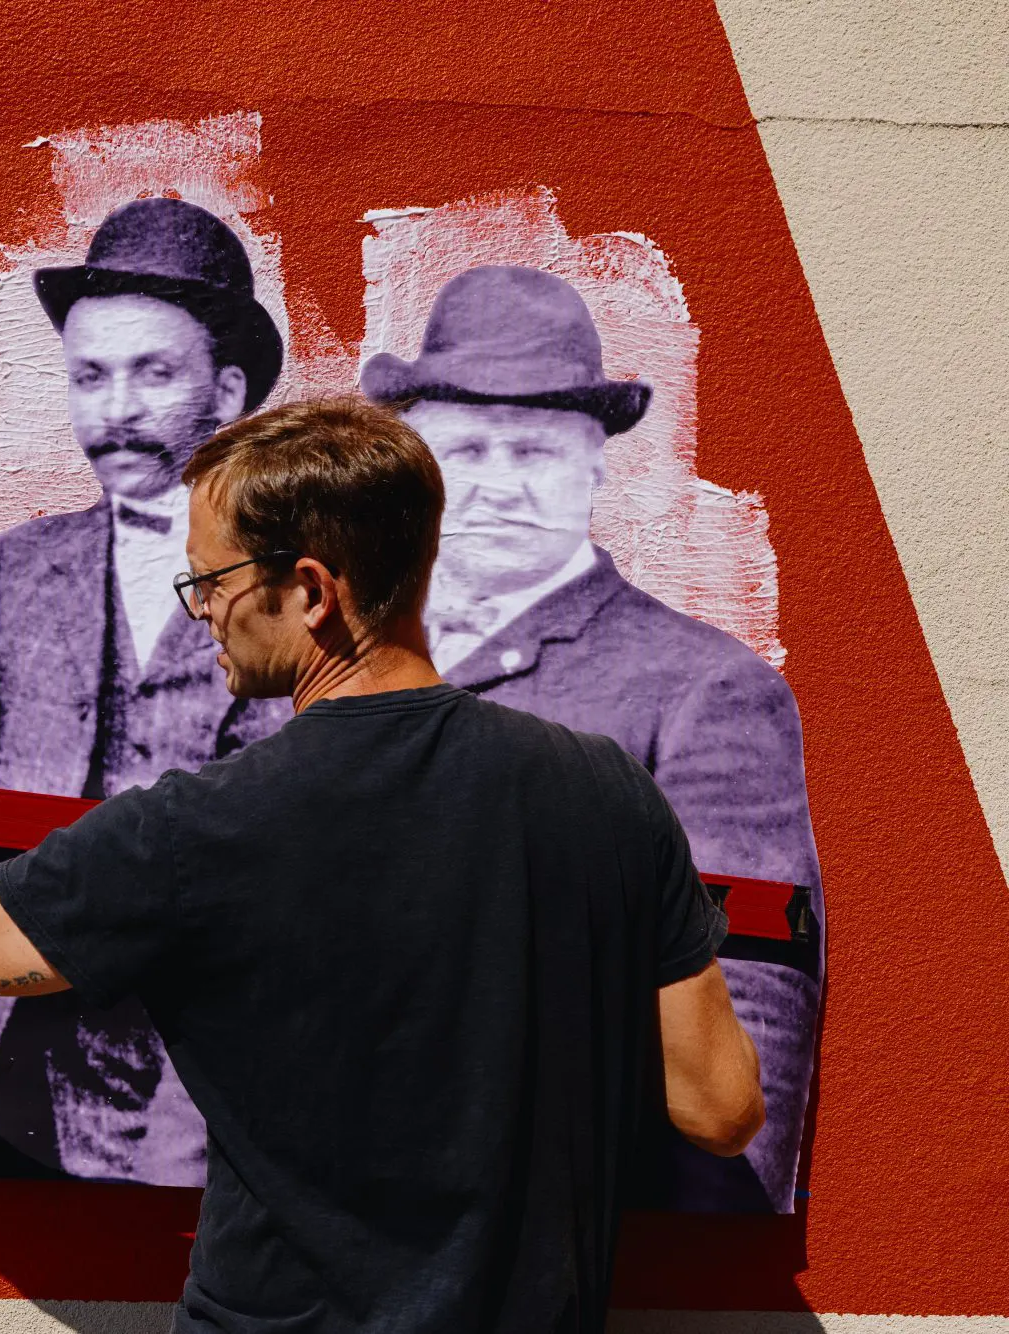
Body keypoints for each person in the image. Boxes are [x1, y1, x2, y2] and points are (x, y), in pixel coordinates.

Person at [0, 397, 765, 1334]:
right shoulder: (605, 794)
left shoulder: (208, 831)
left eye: (214, 580)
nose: (199, 611)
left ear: (312, 590)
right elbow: (717, 1106)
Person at [359, 265, 821, 1213]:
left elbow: (752, 1006)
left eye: (532, 453)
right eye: (466, 450)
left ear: (595, 468)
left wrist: (675, 1242)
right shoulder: (339, 658)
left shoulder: (707, 690)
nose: (494, 486)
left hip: (536, 1217)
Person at [0, 197, 292, 1185]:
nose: (117, 411)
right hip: (6, 1071)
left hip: (200, 1088)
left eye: (152, 373)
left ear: (224, 391)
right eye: (89, 377)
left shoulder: (307, 588)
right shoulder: (17, 570)